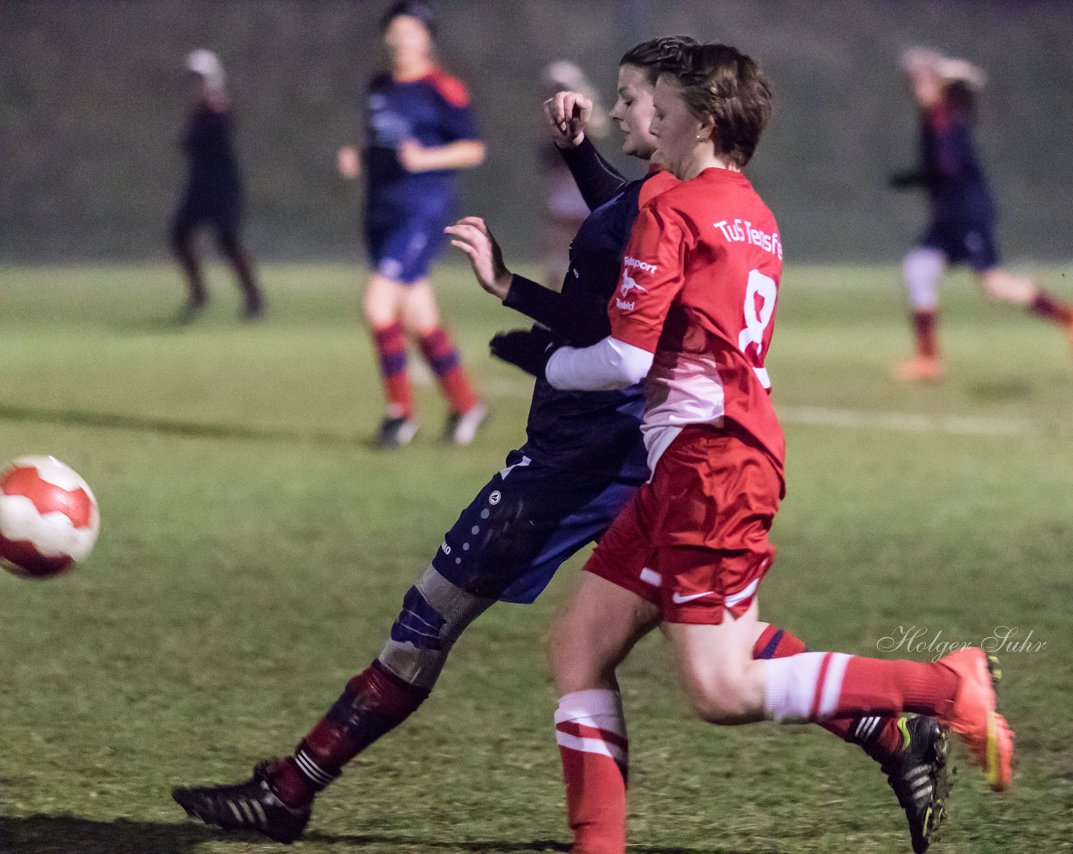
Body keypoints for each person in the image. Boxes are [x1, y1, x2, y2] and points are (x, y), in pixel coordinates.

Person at [170, 38, 948, 853]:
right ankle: (889, 737)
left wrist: (520, 302)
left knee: (432, 617)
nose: (617, 109)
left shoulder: (669, 201)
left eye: (633, 96)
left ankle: (293, 789)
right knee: (689, 641)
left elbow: (618, 330)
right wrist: (577, 160)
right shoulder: (681, 190)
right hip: (649, 450)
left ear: (678, 113)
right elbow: (622, 228)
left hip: (583, 450)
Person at [495, 44, 1015, 853]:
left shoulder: (672, 208)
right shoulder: (751, 212)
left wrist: (553, 361)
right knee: (580, 645)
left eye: (657, 108)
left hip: (711, 466)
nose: (644, 119)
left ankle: (947, 685)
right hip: (709, 457)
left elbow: (628, 359)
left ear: (699, 122)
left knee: (722, 688)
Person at [889, 47, 1073, 382]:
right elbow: (939, 168)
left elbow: (948, 165)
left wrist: (920, 176)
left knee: (995, 285)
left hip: (968, 215)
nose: (917, 87)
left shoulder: (946, 115)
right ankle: (928, 360)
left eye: (924, 81)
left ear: (939, 85)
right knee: (918, 269)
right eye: (915, 81)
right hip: (947, 219)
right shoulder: (934, 117)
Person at [337, 0, 487, 447]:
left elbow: (473, 149)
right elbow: (378, 141)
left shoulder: (444, 89)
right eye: (394, 30)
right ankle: (467, 405)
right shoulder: (379, 86)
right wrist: (358, 156)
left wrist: (427, 159)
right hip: (380, 210)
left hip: (421, 211)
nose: (399, 38)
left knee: (377, 307)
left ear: (426, 38)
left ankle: (399, 415)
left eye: (409, 30)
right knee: (421, 318)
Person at [170, 49, 265, 323]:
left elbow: (217, 124)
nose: (195, 84)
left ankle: (254, 297)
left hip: (223, 183)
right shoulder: (199, 108)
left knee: (227, 239)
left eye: (200, 78)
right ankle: (199, 295)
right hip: (200, 183)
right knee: (179, 235)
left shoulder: (217, 104)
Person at [539, 60, 608, 286]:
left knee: (579, 250)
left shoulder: (587, 114)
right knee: (556, 253)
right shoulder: (550, 115)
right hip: (563, 188)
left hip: (579, 190)